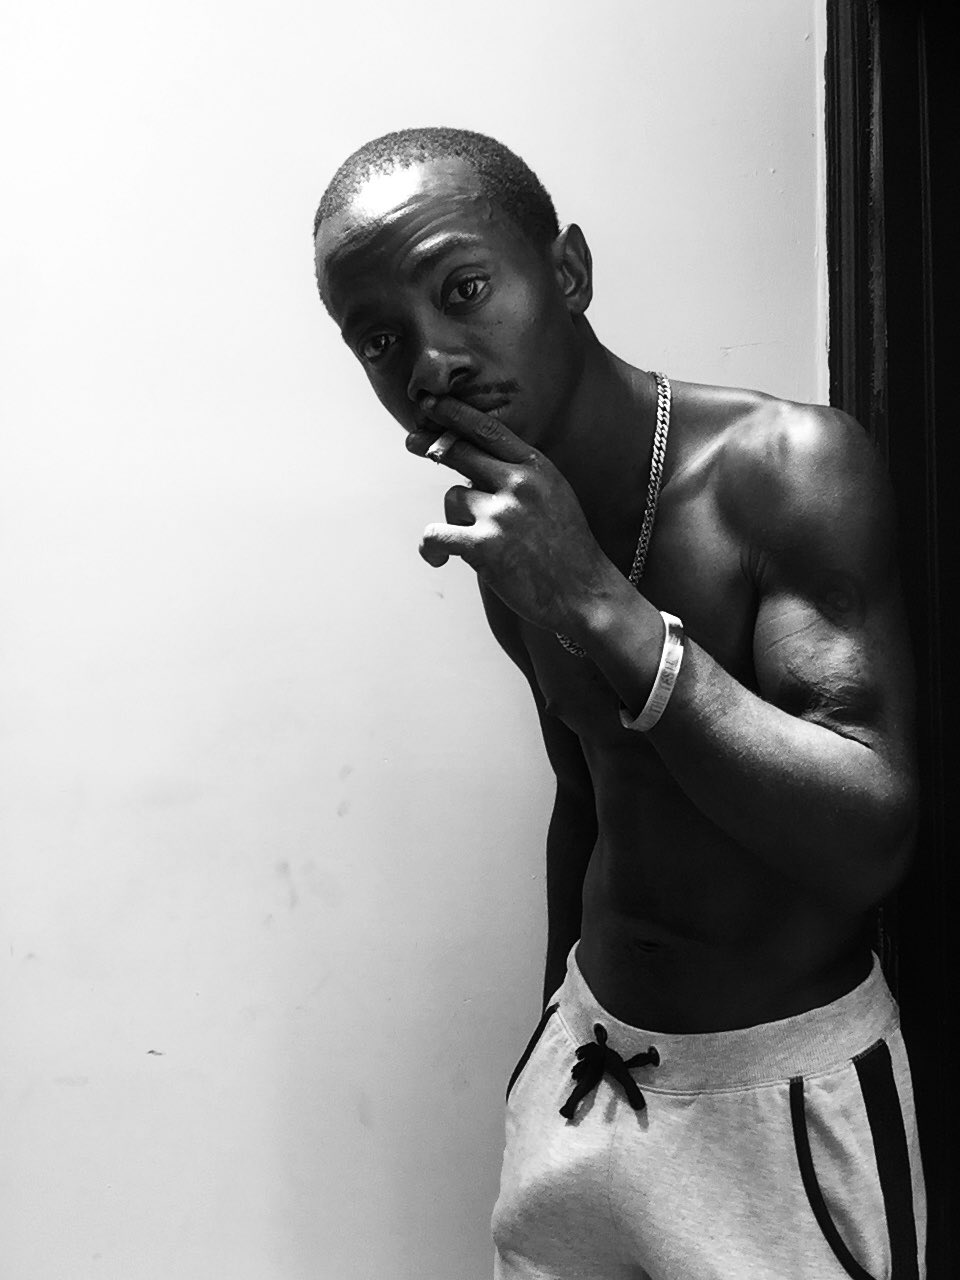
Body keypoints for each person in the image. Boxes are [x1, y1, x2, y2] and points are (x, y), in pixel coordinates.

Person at [312, 127, 926, 1279]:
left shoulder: (787, 468)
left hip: (778, 1101)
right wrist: (548, 1034)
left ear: (571, 272)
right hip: (589, 1075)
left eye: (464, 289)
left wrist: (597, 597)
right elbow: (586, 788)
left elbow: (869, 838)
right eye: (380, 338)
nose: (431, 362)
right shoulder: (508, 527)